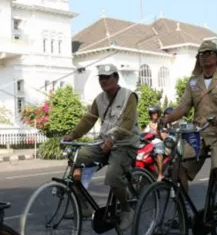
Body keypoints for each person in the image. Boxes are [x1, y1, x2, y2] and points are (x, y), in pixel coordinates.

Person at [161, 40, 217, 220]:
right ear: (198, 58)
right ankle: (184, 211)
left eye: (209, 53)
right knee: (177, 168)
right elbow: (183, 107)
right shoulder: (194, 82)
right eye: (201, 54)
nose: (205, 57)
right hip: (199, 131)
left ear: (216, 56)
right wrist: (167, 119)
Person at [63, 64, 139, 231]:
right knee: (77, 158)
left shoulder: (129, 96)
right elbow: (88, 120)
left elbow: (128, 122)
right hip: (103, 142)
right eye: (101, 78)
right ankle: (83, 205)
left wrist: (114, 136)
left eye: (107, 77)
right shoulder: (99, 99)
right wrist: (72, 135)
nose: (103, 81)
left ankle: (127, 210)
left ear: (116, 78)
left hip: (124, 143)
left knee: (112, 175)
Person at [143, 105, 167, 181]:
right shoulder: (149, 124)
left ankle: (160, 175)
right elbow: (144, 134)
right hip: (149, 143)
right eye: (152, 113)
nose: (154, 115)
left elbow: (164, 136)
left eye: (155, 113)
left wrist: (154, 128)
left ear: (158, 113)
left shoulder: (162, 123)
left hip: (159, 142)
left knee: (158, 153)